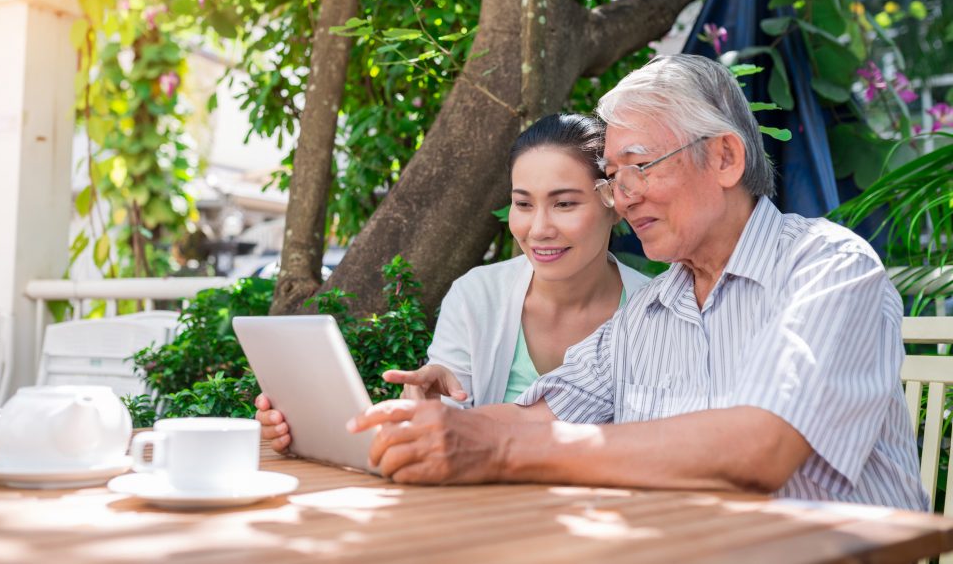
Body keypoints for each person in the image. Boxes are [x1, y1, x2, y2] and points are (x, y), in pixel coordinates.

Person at [346, 54, 929, 511]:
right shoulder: (654, 307)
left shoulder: (827, 266)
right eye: (613, 178)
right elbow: (536, 420)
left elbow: (763, 448)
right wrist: (389, 426)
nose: (623, 197)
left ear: (725, 158)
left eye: (640, 166)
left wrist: (492, 446)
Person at [256, 114, 649, 451]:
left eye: (564, 204)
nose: (539, 229)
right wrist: (432, 409)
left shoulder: (655, 311)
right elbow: (447, 424)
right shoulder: (477, 295)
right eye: (524, 204)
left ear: (613, 203)